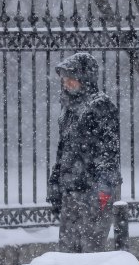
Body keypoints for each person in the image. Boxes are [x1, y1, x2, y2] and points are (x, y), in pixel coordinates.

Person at [46, 52, 121, 253]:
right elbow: (64, 152)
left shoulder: (100, 106)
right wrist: (55, 185)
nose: (66, 83)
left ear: (85, 78)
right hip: (71, 193)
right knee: (68, 254)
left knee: (90, 254)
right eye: (64, 78)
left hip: (93, 192)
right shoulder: (69, 109)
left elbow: (109, 153)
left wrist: (102, 192)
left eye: (72, 77)